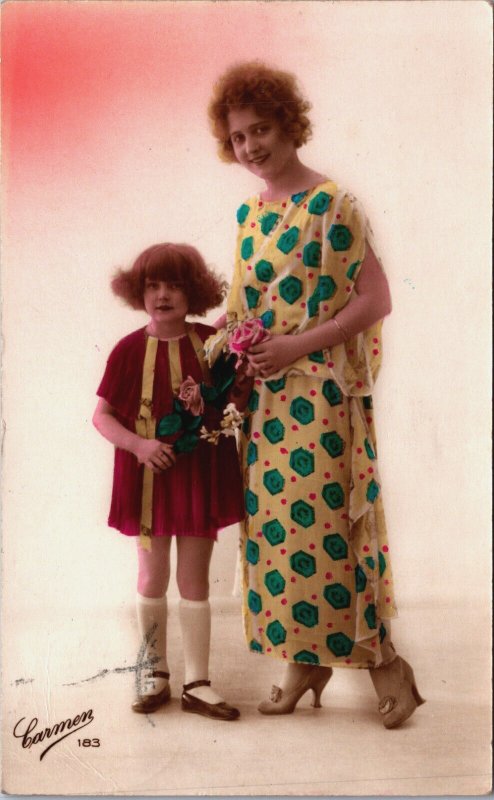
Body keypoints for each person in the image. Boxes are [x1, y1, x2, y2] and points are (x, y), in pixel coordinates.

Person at [207, 62, 424, 728]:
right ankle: (305, 660)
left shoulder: (334, 203)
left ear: (290, 124)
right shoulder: (249, 214)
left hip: (322, 399)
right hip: (266, 407)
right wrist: (209, 351)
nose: (250, 147)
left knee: (330, 531)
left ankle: (391, 667)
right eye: (238, 137)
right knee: (276, 537)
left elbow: (375, 299)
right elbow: (248, 308)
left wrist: (298, 346)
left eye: (261, 129)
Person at [93, 242, 243, 721]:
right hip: (147, 481)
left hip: (199, 474)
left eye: (175, 285)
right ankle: (153, 669)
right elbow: (102, 418)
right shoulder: (128, 350)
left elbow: (234, 392)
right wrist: (139, 446)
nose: (163, 294)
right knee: (152, 575)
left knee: (194, 577)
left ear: (193, 291)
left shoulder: (209, 343)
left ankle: (198, 682)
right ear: (137, 292)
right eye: (153, 285)